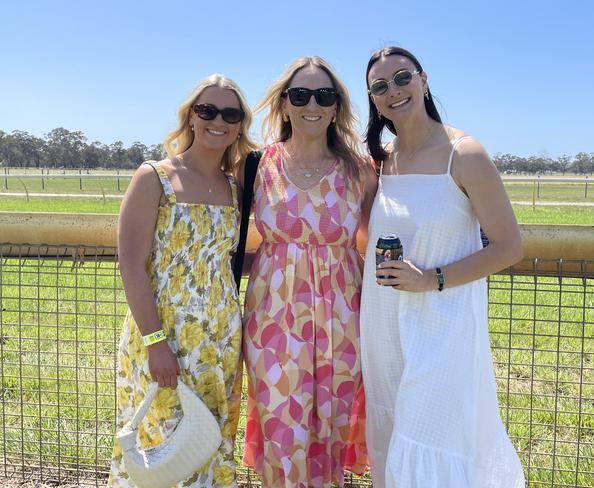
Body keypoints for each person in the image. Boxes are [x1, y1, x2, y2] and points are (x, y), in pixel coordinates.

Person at [360, 46, 525, 487]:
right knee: (392, 435)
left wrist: (431, 279)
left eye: (402, 78)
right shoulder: (382, 161)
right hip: (384, 329)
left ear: (423, 79)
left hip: (443, 329)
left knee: (433, 440)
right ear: (373, 100)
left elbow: (510, 247)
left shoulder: (464, 154)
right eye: (380, 86)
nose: (393, 90)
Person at [108, 74, 256, 488]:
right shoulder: (154, 177)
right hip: (163, 336)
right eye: (207, 110)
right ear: (191, 116)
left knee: (206, 443)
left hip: (220, 340)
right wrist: (156, 344)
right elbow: (132, 265)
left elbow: (218, 261)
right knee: (161, 449)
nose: (218, 121)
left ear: (240, 124)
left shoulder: (236, 187)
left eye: (231, 113)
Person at [241, 56, 375, 487]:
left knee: (331, 435)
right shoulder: (255, 168)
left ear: (337, 106)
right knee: (284, 436)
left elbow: (372, 244)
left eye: (324, 95)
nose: (312, 104)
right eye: (300, 95)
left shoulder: (361, 172)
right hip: (273, 323)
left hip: (342, 323)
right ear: (284, 104)